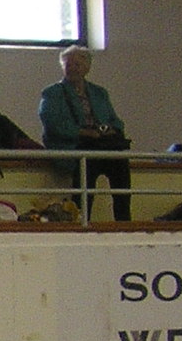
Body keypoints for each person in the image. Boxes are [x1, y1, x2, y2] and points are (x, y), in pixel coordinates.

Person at [38, 46, 131, 223]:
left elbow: (116, 121)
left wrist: (109, 130)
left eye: (77, 64)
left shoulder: (99, 93)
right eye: (68, 64)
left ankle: (124, 220)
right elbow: (53, 124)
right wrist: (83, 132)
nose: (72, 68)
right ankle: (82, 218)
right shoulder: (52, 93)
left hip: (101, 144)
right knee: (88, 163)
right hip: (74, 145)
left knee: (120, 162)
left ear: (87, 67)